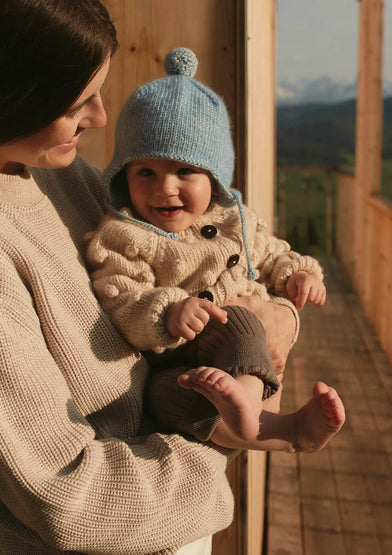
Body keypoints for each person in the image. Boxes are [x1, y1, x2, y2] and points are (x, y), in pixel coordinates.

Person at [0, 2, 305, 553]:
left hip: (168, 492)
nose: (97, 118)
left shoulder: (54, 176)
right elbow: (67, 499)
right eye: (76, 102)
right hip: (137, 523)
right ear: (13, 94)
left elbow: (241, 265)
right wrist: (223, 440)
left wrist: (279, 318)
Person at [86, 47, 345, 453]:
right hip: (176, 357)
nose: (165, 188)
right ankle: (285, 432)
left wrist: (298, 274)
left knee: (237, 321)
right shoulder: (123, 234)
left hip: (235, 340)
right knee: (163, 395)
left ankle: (243, 397)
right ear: (124, 176)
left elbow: (273, 255)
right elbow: (120, 297)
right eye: (146, 172)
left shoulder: (233, 220)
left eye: (184, 171)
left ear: (215, 178)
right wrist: (168, 310)